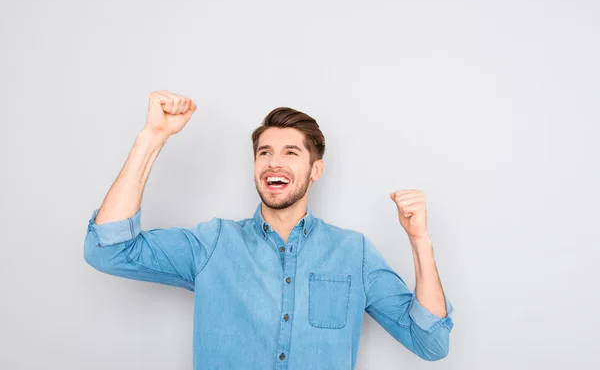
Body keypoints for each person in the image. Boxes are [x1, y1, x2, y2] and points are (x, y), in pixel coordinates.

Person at [84, 90, 454, 369]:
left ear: (316, 170)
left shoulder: (353, 253)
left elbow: (430, 342)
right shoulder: (213, 243)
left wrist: (419, 239)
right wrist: (152, 138)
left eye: (291, 152)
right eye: (265, 152)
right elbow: (108, 250)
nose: (274, 162)